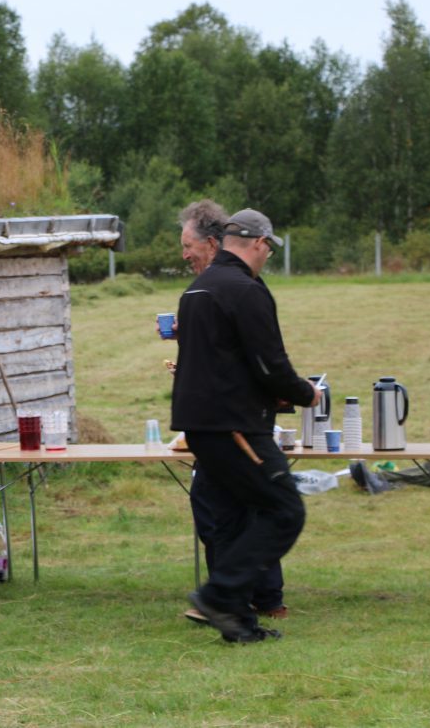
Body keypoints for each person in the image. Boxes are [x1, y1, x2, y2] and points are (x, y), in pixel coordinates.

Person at [171, 209, 320, 644]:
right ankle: (219, 596)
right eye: (268, 250)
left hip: (202, 425)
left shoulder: (197, 289)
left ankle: (238, 624)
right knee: (284, 510)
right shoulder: (245, 289)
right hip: (234, 426)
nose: (267, 258)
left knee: (229, 519)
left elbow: (221, 359)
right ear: (258, 243)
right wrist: (304, 392)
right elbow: (269, 363)